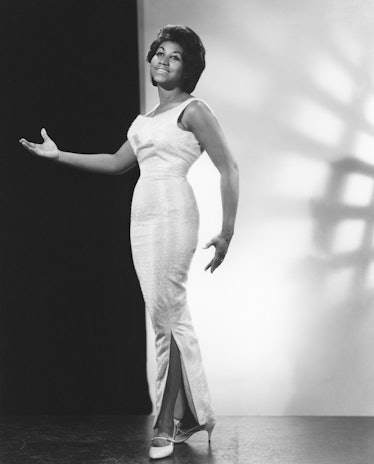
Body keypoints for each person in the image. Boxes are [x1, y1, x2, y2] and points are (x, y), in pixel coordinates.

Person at [19, 25, 239, 460]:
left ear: (188, 67)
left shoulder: (194, 111)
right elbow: (119, 163)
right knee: (161, 317)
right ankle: (188, 415)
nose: (162, 60)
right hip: (142, 218)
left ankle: (165, 422)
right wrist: (58, 155)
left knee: (170, 312)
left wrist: (227, 231)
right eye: (159, 52)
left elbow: (229, 167)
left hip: (175, 212)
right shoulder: (144, 121)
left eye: (174, 56)